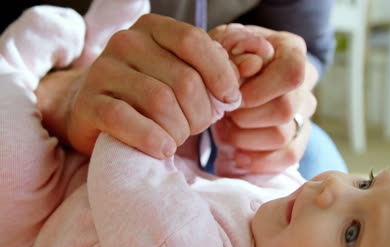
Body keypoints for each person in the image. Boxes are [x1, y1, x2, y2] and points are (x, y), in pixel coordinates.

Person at [1, 6, 390, 247]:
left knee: (11, 150)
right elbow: (250, 171)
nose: (331, 188)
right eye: (365, 181)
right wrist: (239, 88)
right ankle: (102, 46)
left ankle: (19, 59)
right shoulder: (286, 225)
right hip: (86, 195)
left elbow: (126, 174)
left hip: (33, 224)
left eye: (351, 235)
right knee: (311, 154)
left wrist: (193, 95)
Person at [3, 0, 347, 180]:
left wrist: (283, 97)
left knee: (315, 156)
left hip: (209, 135)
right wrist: (58, 93)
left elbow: (310, 48)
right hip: (29, 93)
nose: (329, 195)